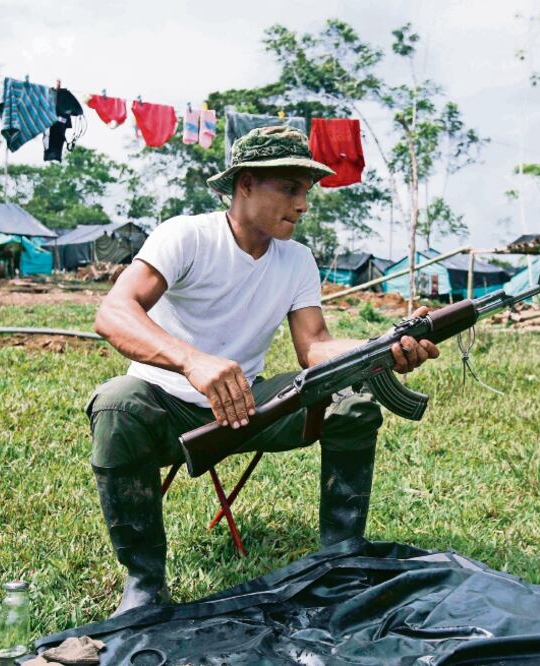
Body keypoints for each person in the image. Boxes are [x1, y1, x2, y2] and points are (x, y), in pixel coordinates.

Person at [88, 125, 441, 615]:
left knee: (352, 403)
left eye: (306, 191)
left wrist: (382, 349)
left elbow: (314, 347)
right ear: (246, 183)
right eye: (290, 188)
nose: (303, 204)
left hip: (246, 409)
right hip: (162, 408)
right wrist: (192, 360)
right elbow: (113, 313)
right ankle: (145, 582)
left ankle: (340, 560)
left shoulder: (297, 260)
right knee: (115, 401)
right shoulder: (187, 236)